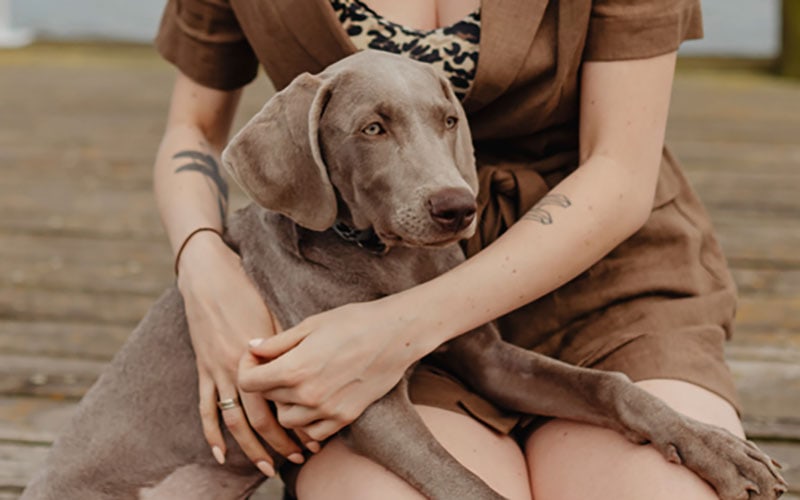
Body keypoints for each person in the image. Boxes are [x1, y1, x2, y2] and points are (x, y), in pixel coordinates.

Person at [153, 0, 744, 498]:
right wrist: (203, 264)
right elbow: (196, 128)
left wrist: (401, 327)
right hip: (354, 285)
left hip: (599, 277)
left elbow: (618, 166)